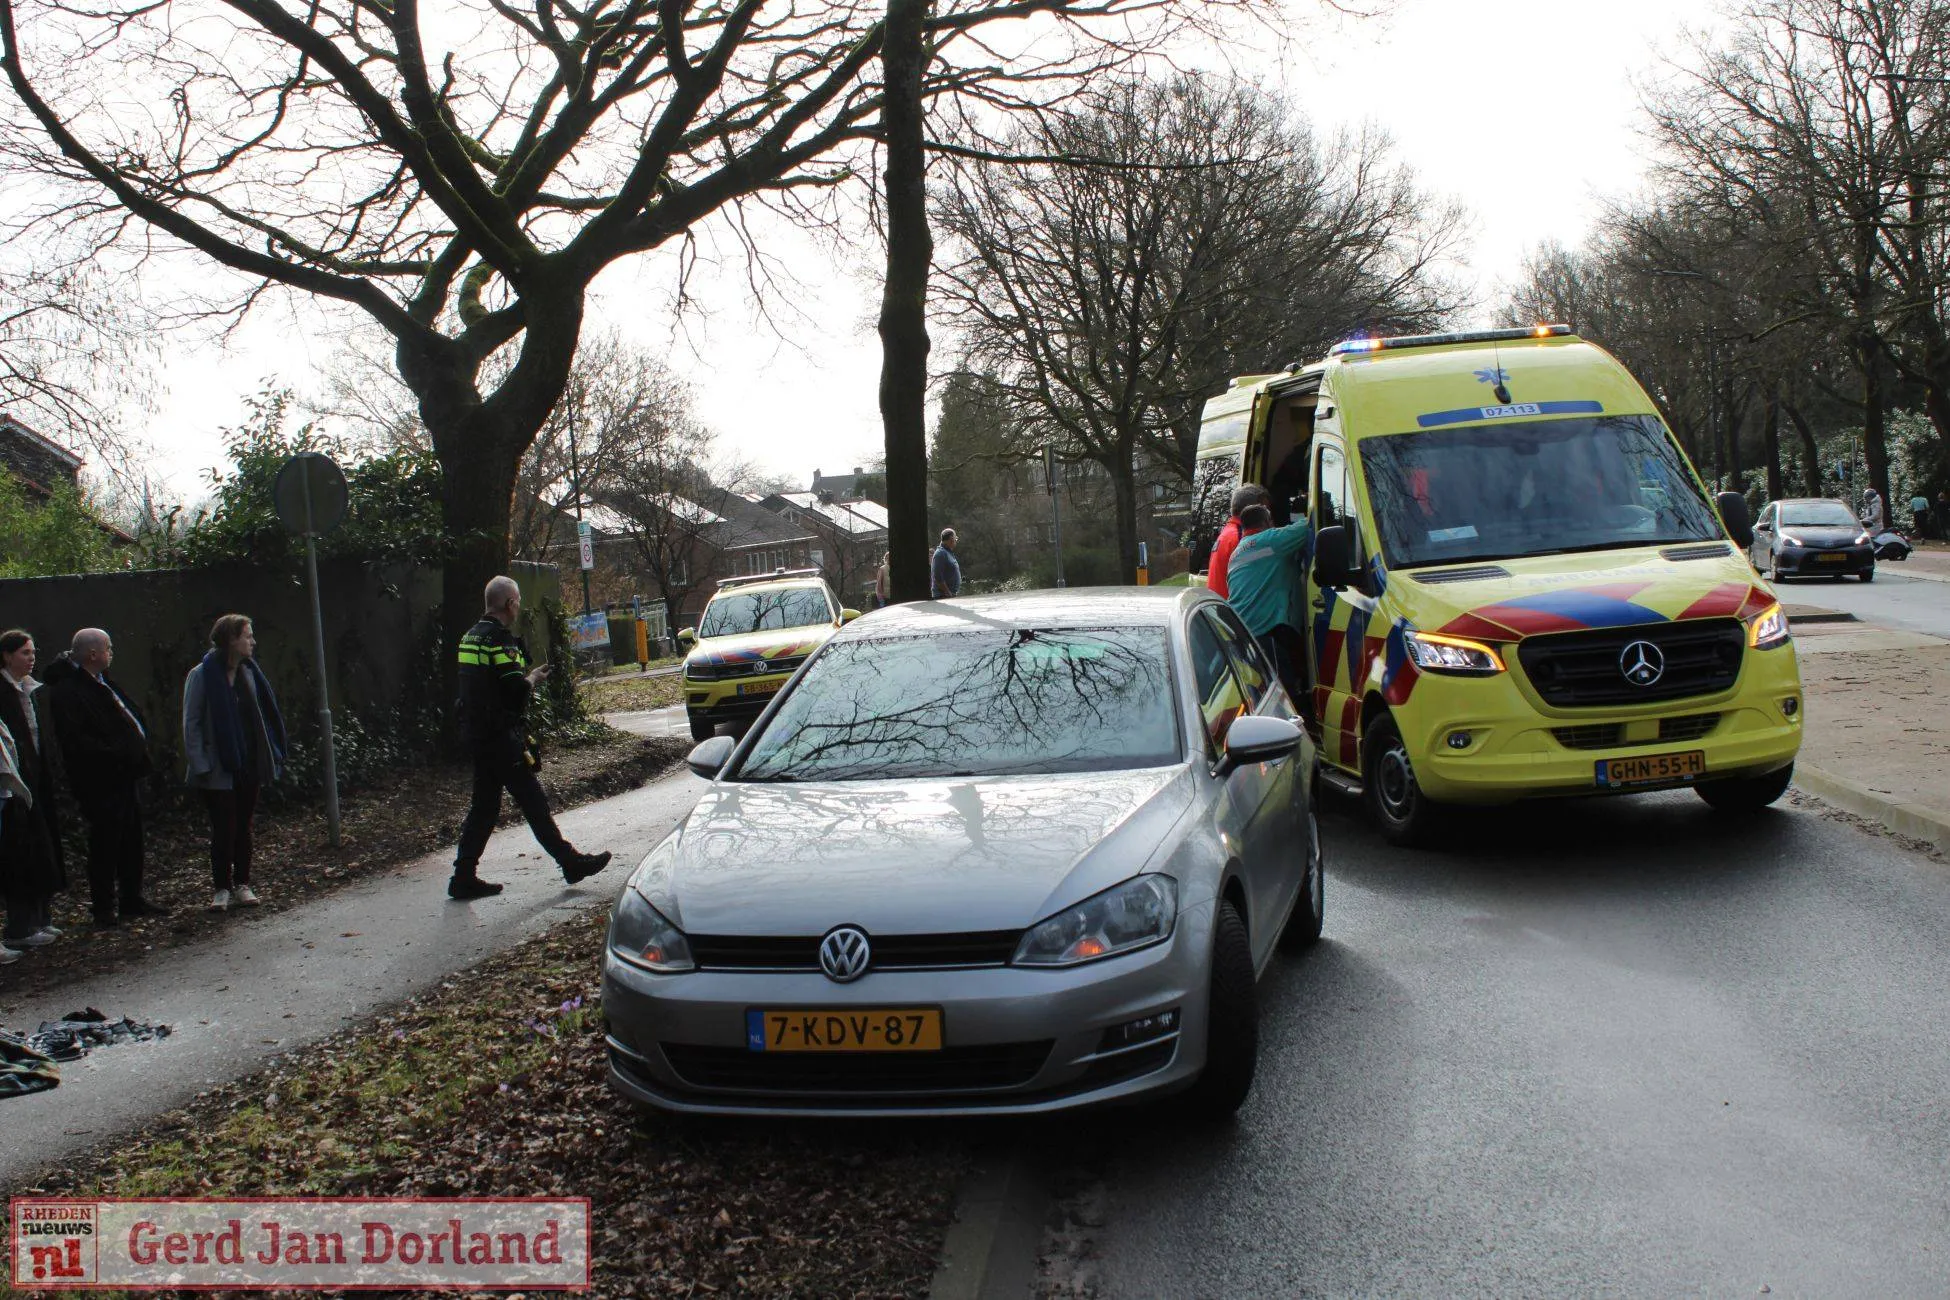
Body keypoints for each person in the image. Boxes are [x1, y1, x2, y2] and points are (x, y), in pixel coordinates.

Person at [450, 576, 611, 900]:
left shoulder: (469, 638)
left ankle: (463, 876)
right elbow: (513, 692)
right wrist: (533, 677)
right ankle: (570, 862)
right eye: (518, 600)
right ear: (509, 604)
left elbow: (479, 685)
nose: (519, 606)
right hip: (499, 735)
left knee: (484, 807)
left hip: (477, 734)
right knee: (533, 801)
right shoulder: (500, 641)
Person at [44, 628, 160, 925]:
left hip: (125, 774)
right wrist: (117, 751)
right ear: (93, 654)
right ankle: (103, 907)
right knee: (106, 842)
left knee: (132, 838)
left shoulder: (102, 681)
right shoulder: (68, 691)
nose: (112, 653)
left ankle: (131, 898)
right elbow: (76, 741)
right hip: (99, 779)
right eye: (108, 648)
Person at [183, 615, 288, 912]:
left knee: (243, 825)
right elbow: (191, 724)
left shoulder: (250, 673)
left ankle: (243, 883)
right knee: (223, 828)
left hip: (249, 763)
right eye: (247, 636)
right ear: (231, 640)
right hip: (217, 767)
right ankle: (221, 888)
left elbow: (263, 716)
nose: (253, 641)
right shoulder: (201, 676)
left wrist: (271, 753)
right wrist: (201, 765)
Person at [0, 630, 65, 955]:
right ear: (7, 656)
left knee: (43, 848)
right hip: (13, 786)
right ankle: (21, 925)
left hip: (38, 780)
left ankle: (41, 918)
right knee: (20, 855)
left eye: (33, 652)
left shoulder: (32, 691)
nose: (31, 658)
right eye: (24, 652)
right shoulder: (3, 693)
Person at [1224, 504, 1314, 697]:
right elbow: (1309, 525)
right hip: (1265, 634)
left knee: (1261, 694)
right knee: (1284, 697)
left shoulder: (1237, 553)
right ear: (1266, 523)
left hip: (1242, 634)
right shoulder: (1270, 541)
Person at [1207, 484, 1270, 599]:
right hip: (1233, 612)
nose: (1268, 515)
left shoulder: (1229, 533)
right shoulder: (1240, 538)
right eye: (1265, 510)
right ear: (1251, 510)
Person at [931, 528, 962, 599]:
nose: (955, 541)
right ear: (951, 539)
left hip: (949, 594)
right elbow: (938, 577)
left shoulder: (947, 552)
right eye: (955, 539)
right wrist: (948, 593)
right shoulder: (940, 553)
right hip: (942, 596)